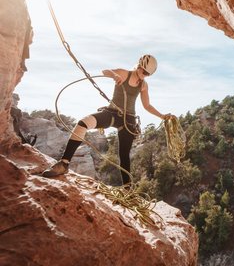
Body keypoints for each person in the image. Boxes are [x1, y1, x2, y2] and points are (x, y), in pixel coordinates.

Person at [42, 54, 173, 185]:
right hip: (112, 113)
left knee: (124, 154)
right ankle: (64, 164)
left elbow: (147, 106)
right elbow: (105, 71)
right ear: (139, 66)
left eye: (148, 74)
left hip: (129, 120)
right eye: (143, 71)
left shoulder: (144, 85)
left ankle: (128, 189)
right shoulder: (124, 73)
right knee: (83, 123)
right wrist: (114, 75)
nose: (144, 75)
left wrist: (162, 116)